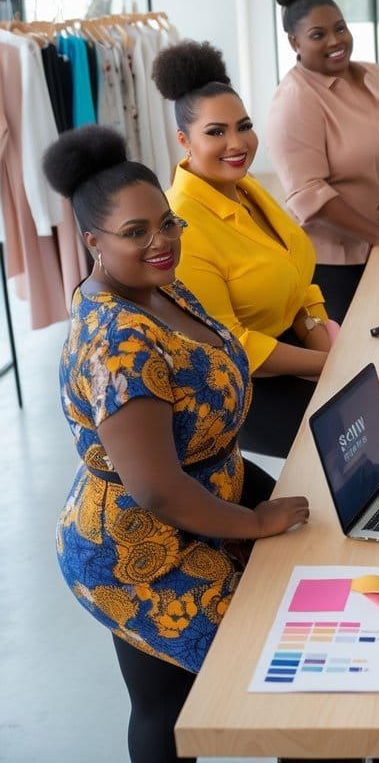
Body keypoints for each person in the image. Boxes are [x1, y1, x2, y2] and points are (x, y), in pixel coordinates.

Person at [46, 125, 310, 763]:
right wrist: (253, 521)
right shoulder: (119, 343)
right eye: (136, 233)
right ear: (92, 241)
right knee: (249, 686)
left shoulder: (158, 286)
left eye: (166, 223)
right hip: (140, 547)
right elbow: (159, 488)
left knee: (169, 700)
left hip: (205, 498)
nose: (160, 241)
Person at [153, 40, 328, 458]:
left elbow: (295, 273)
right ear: (184, 140)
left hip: (302, 356)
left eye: (244, 126)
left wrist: (320, 334)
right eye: (216, 132)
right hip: (251, 394)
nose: (238, 143)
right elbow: (232, 346)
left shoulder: (245, 187)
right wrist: (332, 366)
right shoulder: (184, 225)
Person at [266, 0, 379, 322]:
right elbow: (308, 193)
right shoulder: (295, 99)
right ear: (295, 42)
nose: (334, 41)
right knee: (359, 359)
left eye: (340, 28)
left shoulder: (373, 74)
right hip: (340, 264)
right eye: (318, 34)